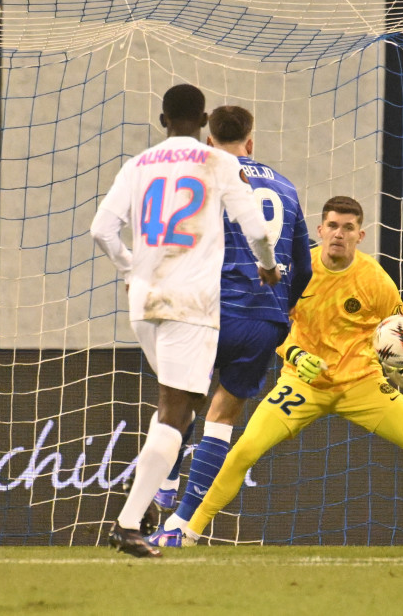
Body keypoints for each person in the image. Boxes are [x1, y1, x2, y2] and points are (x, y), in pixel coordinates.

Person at [172, 196, 403, 543]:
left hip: (361, 383)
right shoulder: (298, 271)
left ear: (360, 235)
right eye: (332, 226)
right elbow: (270, 324)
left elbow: (402, 330)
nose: (339, 234)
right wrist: (296, 354)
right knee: (244, 450)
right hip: (303, 385)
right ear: (320, 230)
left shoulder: (376, 280)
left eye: (348, 228)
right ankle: (189, 531)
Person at [91, 85, 280, 558]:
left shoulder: (136, 165)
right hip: (189, 303)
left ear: (162, 119)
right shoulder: (216, 162)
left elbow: (101, 229)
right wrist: (268, 264)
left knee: (184, 405)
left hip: (143, 301)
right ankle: (130, 521)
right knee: (176, 410)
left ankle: (147, 500)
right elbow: (255, 226)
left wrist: (130, 265)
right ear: (203, 120)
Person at [144, 105, 314, 547]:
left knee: (180, 399)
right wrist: (281, 309)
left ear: (208, 142)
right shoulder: (288, 187)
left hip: (208, 310)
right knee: (222, 416)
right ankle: (181, 526)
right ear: (251, 142)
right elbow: (305, 267)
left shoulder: (203, 176)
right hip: (263, 318)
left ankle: (165, 480)